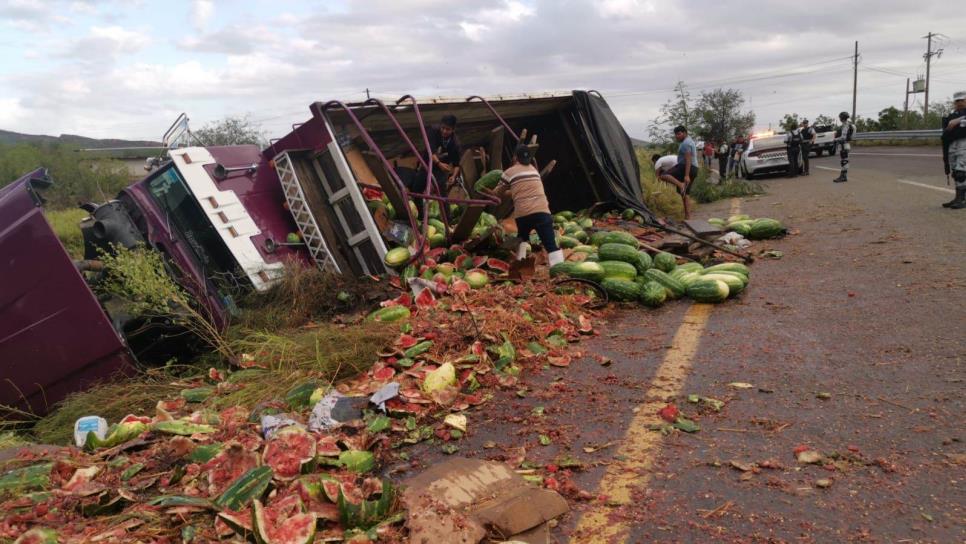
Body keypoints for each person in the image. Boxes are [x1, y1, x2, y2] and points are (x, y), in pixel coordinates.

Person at [491, 144, 563, 265]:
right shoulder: (534, 170)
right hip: (542, 211)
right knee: (550, 245)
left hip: (523, 214)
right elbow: (521, 189)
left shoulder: (509, 172)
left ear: (515, 158)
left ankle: (520, 265)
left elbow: (498, 192)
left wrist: (488, 191)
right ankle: (560, 272)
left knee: (522, 238)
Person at [658, 126, 699, 219]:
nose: (677, 136)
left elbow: (688, 159)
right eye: (676, 134)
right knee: (685, 193)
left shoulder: (686, 143)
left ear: (685, 133)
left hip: (686, 167)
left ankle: (681, 185)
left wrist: (686, 175)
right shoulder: (690, 141)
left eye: (679, 134)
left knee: (663, 175)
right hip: (694, 168)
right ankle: (688, 217)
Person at [940, 90, 966, 209]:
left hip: (964, 144)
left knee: (961, 173)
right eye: (957, 101)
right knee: (956, 173)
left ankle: (961, 199)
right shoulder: (951, 115)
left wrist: (960, 120)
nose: (959, 103)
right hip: (952, 146)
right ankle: (958, 198)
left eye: (962, 100)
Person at [832, 111, 855, 183]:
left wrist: (835, 139)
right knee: (844, 160)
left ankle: (843, 177)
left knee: (844, 161)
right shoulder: (849, 125)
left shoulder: (846, 125)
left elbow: (843, 137)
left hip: (844, 144)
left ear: (842, 118)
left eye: (840, 117)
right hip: (845, 144)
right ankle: (843, 176)